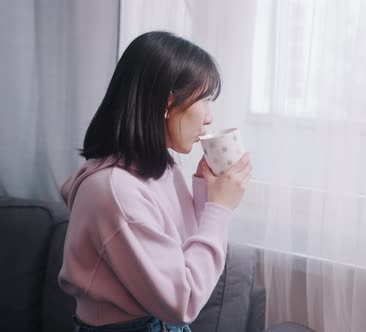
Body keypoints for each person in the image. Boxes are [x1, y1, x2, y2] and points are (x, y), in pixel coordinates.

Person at [58, 31, 252, 332]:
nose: (210, 117)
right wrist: (220, 208)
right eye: (205, 100)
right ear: (167, 102)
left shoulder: (160, 167)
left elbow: (182, 258)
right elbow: (183, 302)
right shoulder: (114, 191)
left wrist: (206, 191)